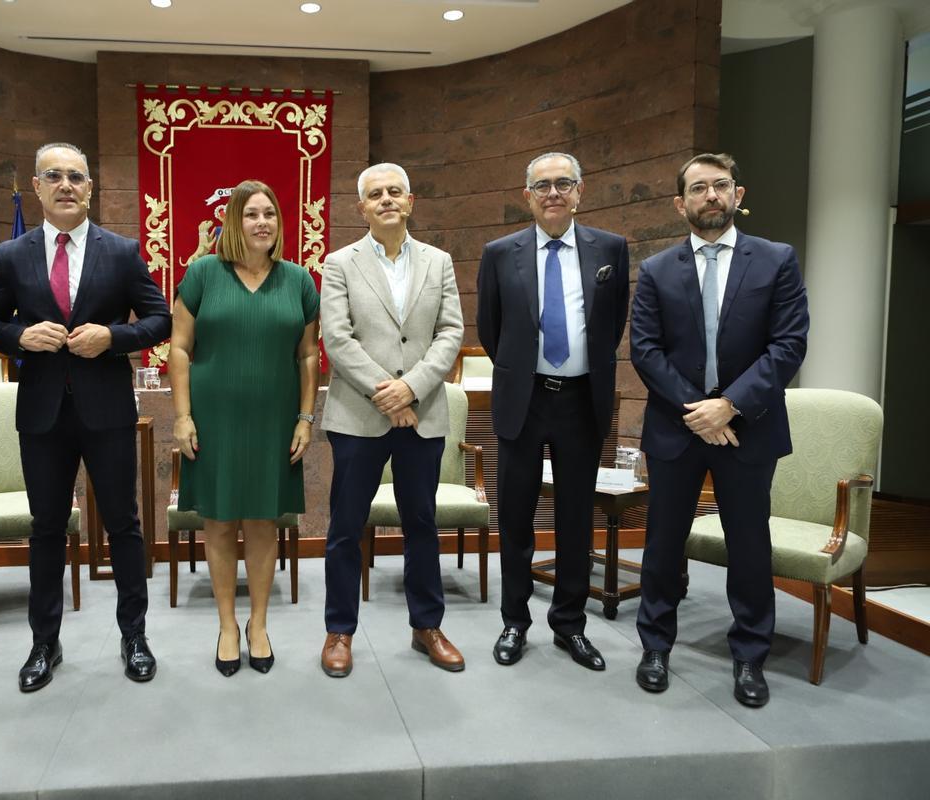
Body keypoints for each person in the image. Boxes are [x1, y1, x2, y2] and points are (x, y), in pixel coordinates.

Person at [0, 142, 171, 691]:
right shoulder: (12, 254)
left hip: (106, 410)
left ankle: (134, 636)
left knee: (125, 525)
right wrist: (19, 336)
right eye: (54, 176)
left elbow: (160, 320)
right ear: (36, 187)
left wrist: (114, 338)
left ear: (91, 188)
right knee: (46, 529)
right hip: (41, 413)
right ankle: (45, 643)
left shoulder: (122, 251)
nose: (66, 185)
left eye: (77, 177)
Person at [631, 153, 809, 707]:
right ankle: (656, 645)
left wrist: (729, 405)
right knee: (662, 544)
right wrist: (699, 409)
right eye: (699, 188)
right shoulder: (658, 269)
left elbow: (789, 344)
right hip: (676, 429)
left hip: (748, 429)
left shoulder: (776, 260)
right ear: (679, 203)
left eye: (721, 186)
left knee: (750, 546)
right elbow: (644, 349)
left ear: (738, 193)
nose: (711, 195)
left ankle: (751, 655)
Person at [476, 152, 630, 672]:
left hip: (582, 401)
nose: (553, 193)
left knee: (574, 520)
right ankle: (514, 621)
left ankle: (570, 624)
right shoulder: (500, 253)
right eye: (542, 185)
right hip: (524, 400)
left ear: (580, 190)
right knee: (517, 519)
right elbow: (490, 329)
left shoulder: (611, 249)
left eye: (564, 183)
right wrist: (524, 370)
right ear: (527, 195)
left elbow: (613, 325)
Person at [169, 180, 320, 676]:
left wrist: (304, 417)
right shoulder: (203, 273)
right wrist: (184, 414)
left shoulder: (299, 280)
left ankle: (258, 624)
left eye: (270, 214)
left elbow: (307, 354)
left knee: (262, 521)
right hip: (214, 419)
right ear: (233, 221)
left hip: (275, 420)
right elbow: (180, 348)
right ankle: (227, 625)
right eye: (251, 213)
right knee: (217, 522)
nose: (262, 222)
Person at [320, 163, 465, 677]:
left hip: (422, 414)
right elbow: (336, 338)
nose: (385, 200)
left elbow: (451, 332)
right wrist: (389, 393)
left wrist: (413, 388)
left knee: (421, 525)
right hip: (359, 415)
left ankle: (427, 625)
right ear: (361, 208)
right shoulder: (339, 263)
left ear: (411, 201)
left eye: (394, 192)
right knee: (344, 528)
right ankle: (339, 631)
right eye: (374, 194)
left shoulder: (439, 261)